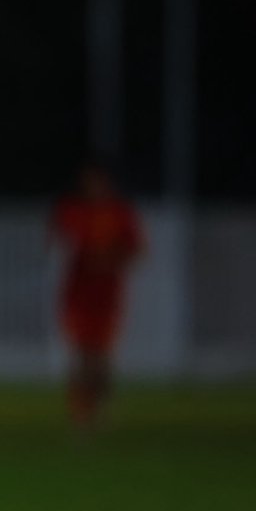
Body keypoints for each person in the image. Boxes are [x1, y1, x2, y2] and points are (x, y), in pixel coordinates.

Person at [50, 162, 145, 430]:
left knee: (101, 358)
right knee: (81, 355)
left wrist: (109, 259)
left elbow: (136, 250)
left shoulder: (119, 213)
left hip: (107, 296)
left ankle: (100, 407)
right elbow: (60, 242)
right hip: (77, 294)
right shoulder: (72, 211)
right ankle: (81, 414)